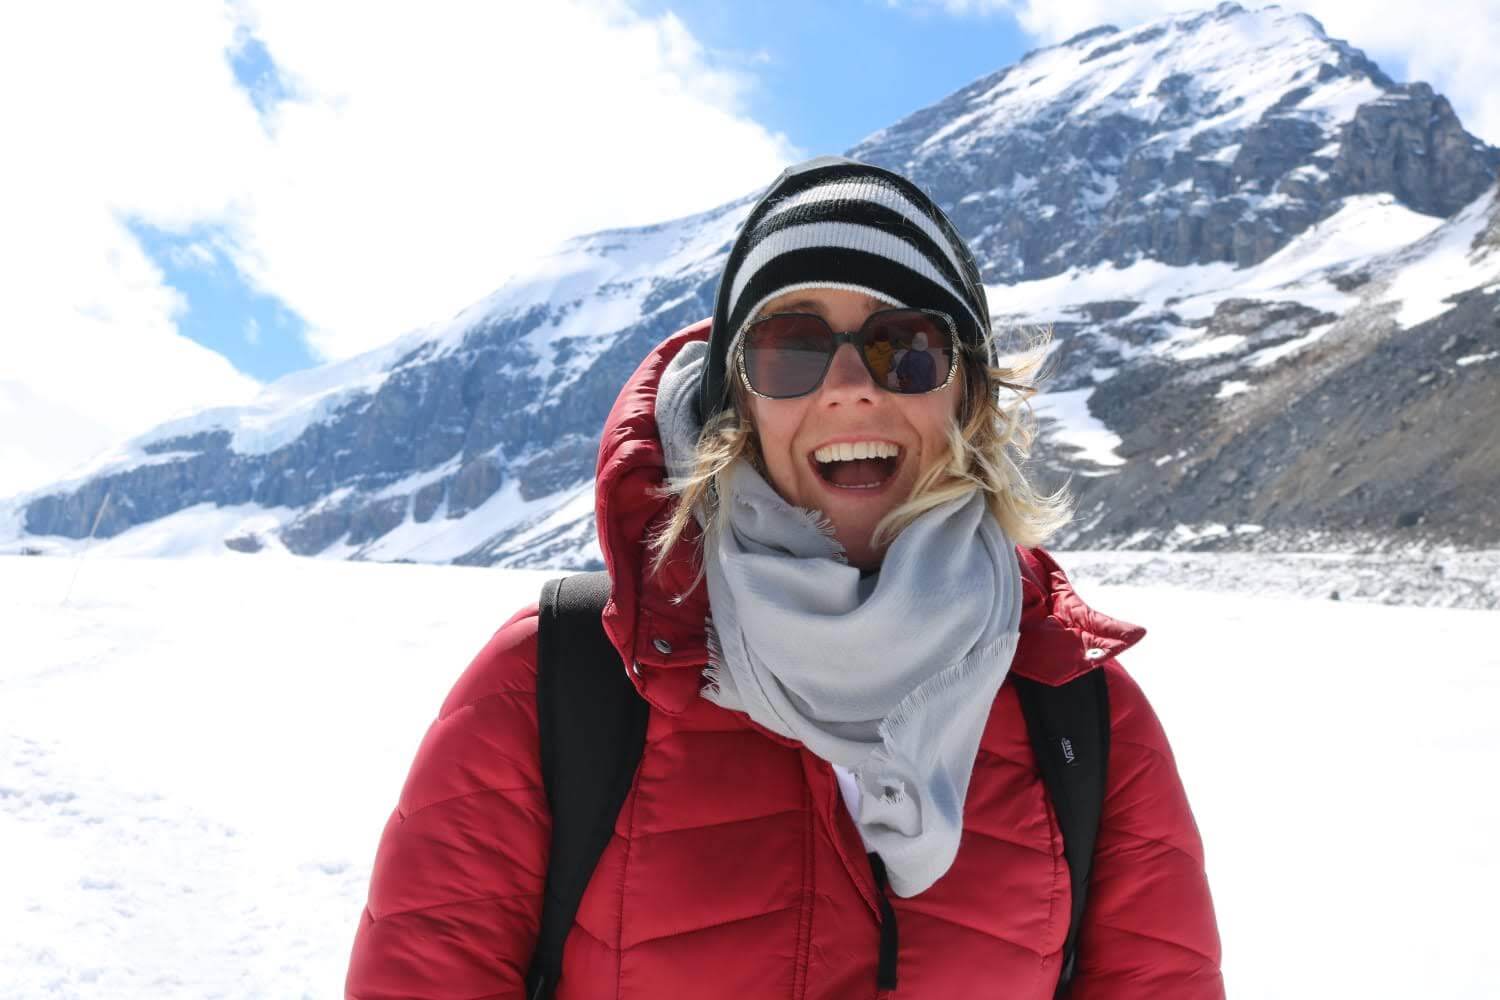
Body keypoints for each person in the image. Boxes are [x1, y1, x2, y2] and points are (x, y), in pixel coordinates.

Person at [344, 156, 1223, 999]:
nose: (847, 388)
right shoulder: (554, 686)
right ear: (739, 403)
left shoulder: (1081, 716)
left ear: (969, 397)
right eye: (791, 348)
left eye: (905, 347)